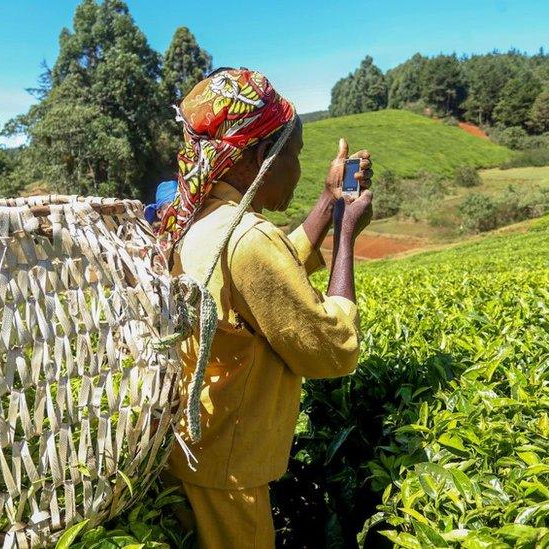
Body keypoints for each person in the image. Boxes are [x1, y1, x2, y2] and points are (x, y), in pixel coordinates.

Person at [155, 68, 373, 549]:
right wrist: (346, 239)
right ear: (260, 158)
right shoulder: (248, 239)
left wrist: (327, 204)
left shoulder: (198, 221)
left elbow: (263, 280)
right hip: (229, 474)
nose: (298, 169)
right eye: (293, 155)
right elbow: (333, 351)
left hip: (191, 452)